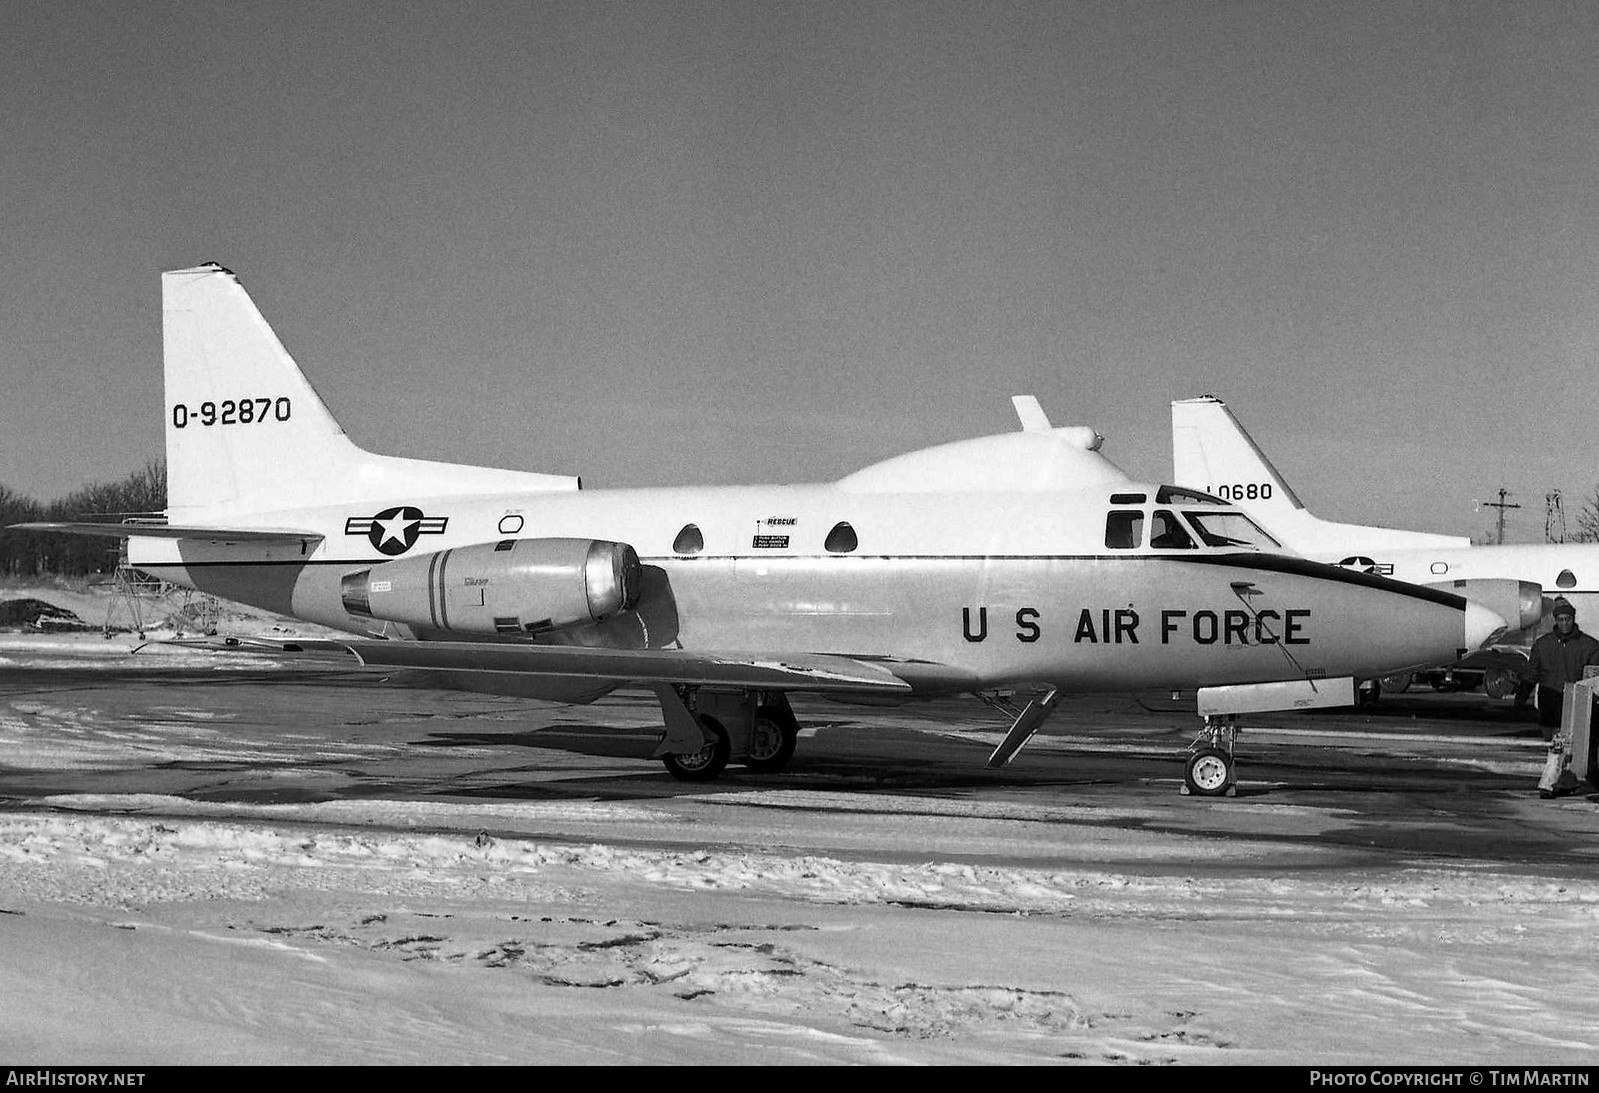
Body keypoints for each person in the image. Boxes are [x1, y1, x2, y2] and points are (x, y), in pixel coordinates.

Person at [1523, 598, 1599, 796]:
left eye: (1568, 619)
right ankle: (1562, 779)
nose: (1564, 623)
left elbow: (1592, 676)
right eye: (1561, 619)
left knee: (1565, 746)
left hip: (1575, 703)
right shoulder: (1543, 645)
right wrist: (1522, 694)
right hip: (1550, 701)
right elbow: (1532, 672)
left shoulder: (1589, 646)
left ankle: (1552, 782)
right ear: (1555, 620)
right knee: (1552, 743)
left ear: (1573, 619)